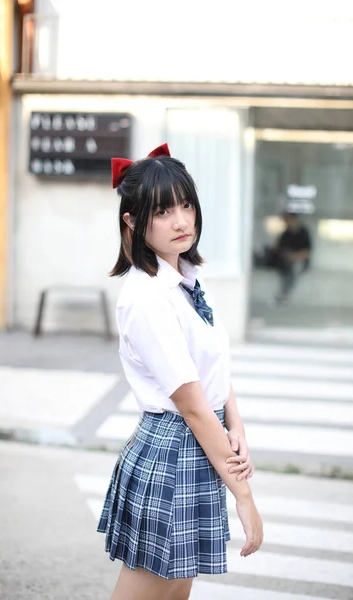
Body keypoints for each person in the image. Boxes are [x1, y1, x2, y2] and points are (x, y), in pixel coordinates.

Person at [97, 143, 263, 600]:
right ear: (131, 221)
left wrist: (237, 423)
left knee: (175, 594)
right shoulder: (148, 296)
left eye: (186, 204)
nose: (181, 220)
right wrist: (244, 498)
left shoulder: (185, 276)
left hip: (199, 448)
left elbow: (210, 366)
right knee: (150, 592)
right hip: (173, 452)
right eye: (163, 210)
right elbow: (191, 406)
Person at [273, 211, 312, 303]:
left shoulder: (303, 233)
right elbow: (279, 249)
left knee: (293, 269)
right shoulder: (286, 234)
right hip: (287, 261)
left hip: (300, 260)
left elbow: (307, 251)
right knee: (285, 268)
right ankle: (283, 293)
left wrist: (295, 256)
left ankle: (285, 294)